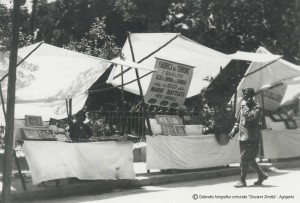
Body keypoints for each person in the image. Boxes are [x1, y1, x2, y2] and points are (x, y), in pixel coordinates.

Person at [229, 88, 268, 187]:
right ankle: (261, 175)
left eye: (248, 96)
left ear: (252, 96)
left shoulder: (256, 107)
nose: (246, 97)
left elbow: (249, 117)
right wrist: (234, 130)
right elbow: (239, 121)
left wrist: (245, 106)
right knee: (249, 158)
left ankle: (242, 180)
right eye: (245, 96)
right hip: (242, 136)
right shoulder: (243, 106)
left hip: (252, 137)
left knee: (244, 159)